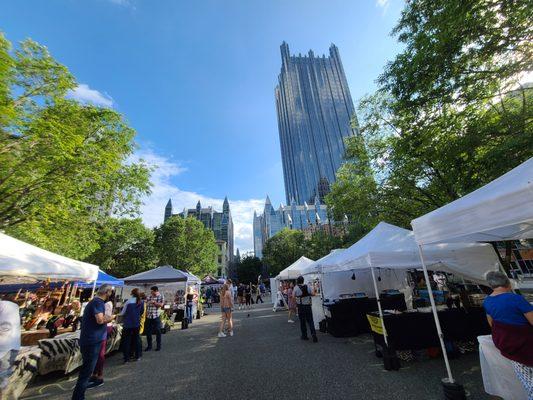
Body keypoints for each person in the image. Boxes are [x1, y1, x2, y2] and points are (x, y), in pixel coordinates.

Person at [483, 271, 533, 397]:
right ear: (507, 283)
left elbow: (491, 323)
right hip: (527, 344)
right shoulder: (516, 299)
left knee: (528, 381)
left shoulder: (487, 301)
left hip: (507, 345)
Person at [72, 285, 115, 400]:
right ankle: (78, 397)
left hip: (90, 339)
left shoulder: (95, 302)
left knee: (86, 370)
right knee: (86, 372)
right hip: (92, 341)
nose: (111, 294)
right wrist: (111, 317)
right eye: (110, 292)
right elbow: (100, 320)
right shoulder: (98, 302)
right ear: (107, 292)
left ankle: (79, 395)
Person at [89, 291, 115, 387]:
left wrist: (111, 317)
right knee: (98, 352)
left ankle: (99, 376)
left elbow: (104, 318)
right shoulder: (102, 303)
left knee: (99, 353)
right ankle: (95, 374)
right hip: (100, 329)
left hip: (103, 328)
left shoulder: (107, 303)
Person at [121, 289, 143, 363]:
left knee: (127, 341)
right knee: (136, 340)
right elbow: (141, 312)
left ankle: (126, 358)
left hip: (127, 324)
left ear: (131, 294)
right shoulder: (141, 302)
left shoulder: (128, 302)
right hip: (136, 323)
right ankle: (138, 356)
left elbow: (122, 313)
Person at [292, 276, 317, 343]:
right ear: (303, 280)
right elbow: (313, 294)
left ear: (297, 281)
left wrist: (295, 305)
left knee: (302, 322)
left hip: (300, 307)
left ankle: (304, 336)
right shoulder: (308, 286)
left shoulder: (296, 288)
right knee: (310, 321)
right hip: (308, 306)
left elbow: (293, 297)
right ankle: (313, 334)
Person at [145, 286, 164, 352]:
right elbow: (145, 304)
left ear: (156, 291)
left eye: (152, 291)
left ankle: (158, 346)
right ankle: (149, 346)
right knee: (148, 332)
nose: (151, 292)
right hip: (149, 316)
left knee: (158, 331)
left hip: (156, 316)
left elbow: (161, 305)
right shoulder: (149, 296)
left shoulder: (160, 296)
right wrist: (148, 303)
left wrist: (154, 303)